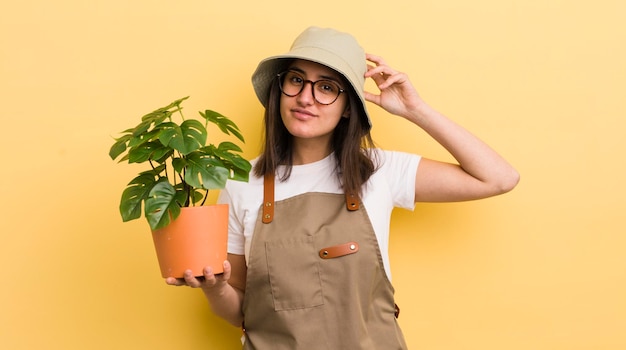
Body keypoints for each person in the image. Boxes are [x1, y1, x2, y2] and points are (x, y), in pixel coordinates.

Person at [166, 26, 519, 349]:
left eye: (326, 87)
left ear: (349, 106)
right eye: (296, 80)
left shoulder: (379, 171)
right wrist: (216, 289)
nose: (306, 98)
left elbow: (498, 178)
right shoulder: (240, 181)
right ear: (280, 89)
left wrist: (415, 109)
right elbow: (241, 311)